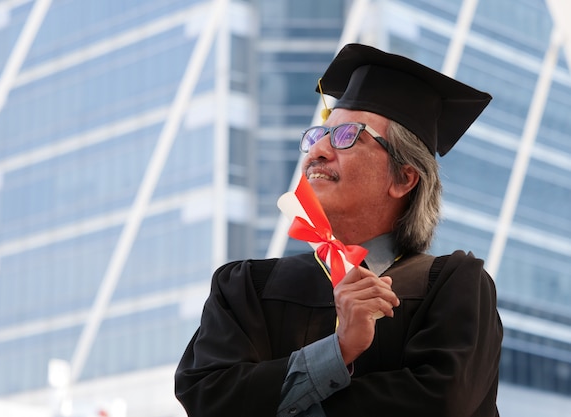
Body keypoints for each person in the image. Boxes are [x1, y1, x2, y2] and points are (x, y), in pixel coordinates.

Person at [175, 43, 503, 417]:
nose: (317, 151)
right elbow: (207, 398)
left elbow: (441, 403)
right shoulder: (247, 287)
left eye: (347, 135)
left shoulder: (451, 287)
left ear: (404, 177)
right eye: (317, 136)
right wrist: (338, 352)